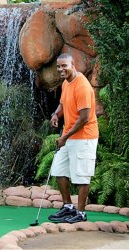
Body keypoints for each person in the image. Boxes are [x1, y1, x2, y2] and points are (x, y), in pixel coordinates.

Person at [48, 53, 99, 223]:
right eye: (58, 66)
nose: (61, 69)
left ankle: (81, 213)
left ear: (73, 64)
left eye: (64, 66)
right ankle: (68, 207)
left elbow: (84, 118)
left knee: (81, 175)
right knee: (59, 169)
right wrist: (56, 114)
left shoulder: (82, 86)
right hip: (69, 135)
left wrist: (64, 137)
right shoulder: (66, 83)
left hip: (84, 137)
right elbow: (63, 103)